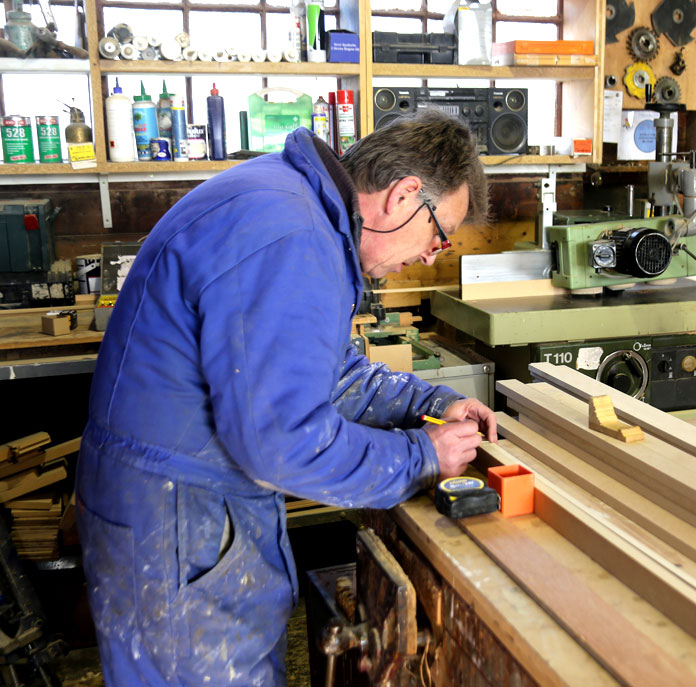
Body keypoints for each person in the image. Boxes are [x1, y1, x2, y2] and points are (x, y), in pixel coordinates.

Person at [75, 109, 497, 686]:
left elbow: (325, 373)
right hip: (179, 530)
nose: (431, 254)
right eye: (439, 233)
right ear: (403, 197)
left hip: (179, 510)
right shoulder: (292, 237)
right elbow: (282, 442)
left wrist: (429, 403)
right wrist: (422, 456)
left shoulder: (293, 203)